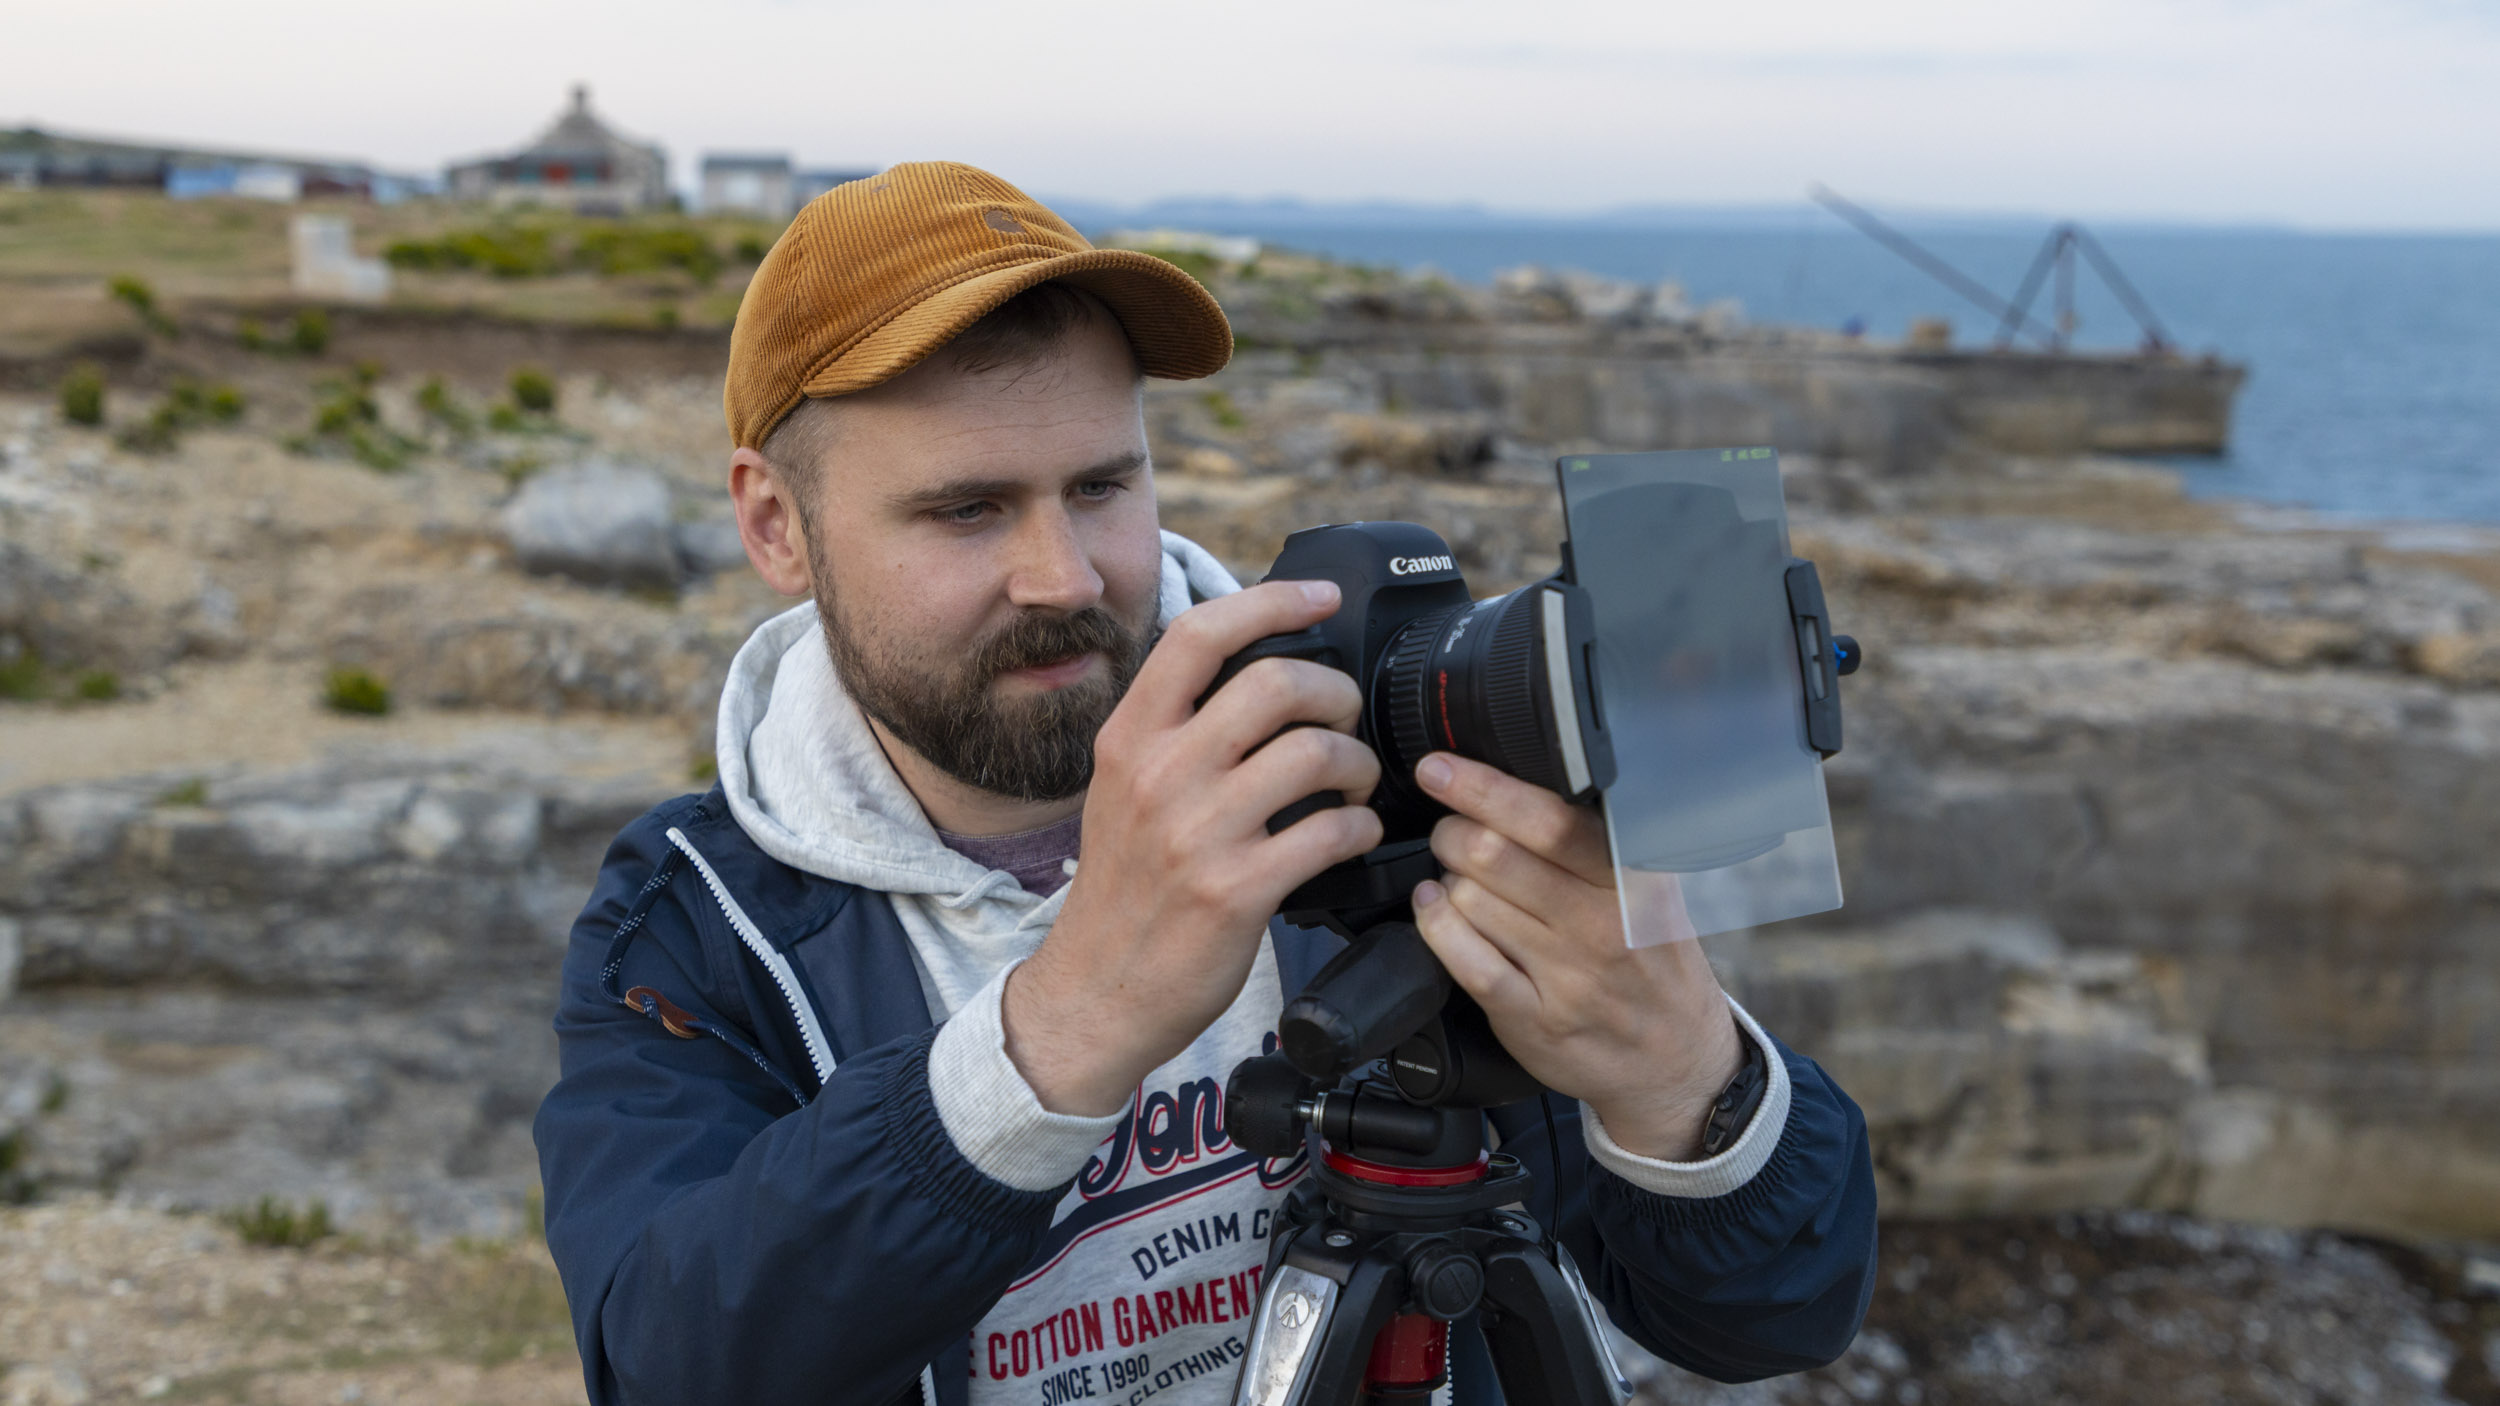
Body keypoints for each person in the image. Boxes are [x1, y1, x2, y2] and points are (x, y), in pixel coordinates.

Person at [532, 162, 1877, 1406]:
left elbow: (1777, 1315)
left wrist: (1685, 1080)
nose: (1064, 576)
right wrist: (1067, 1021)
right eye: (967, 509)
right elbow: (667, 1365)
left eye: (1102, 485)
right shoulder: (697, 924)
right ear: (776, 524)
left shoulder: (1368, 786)